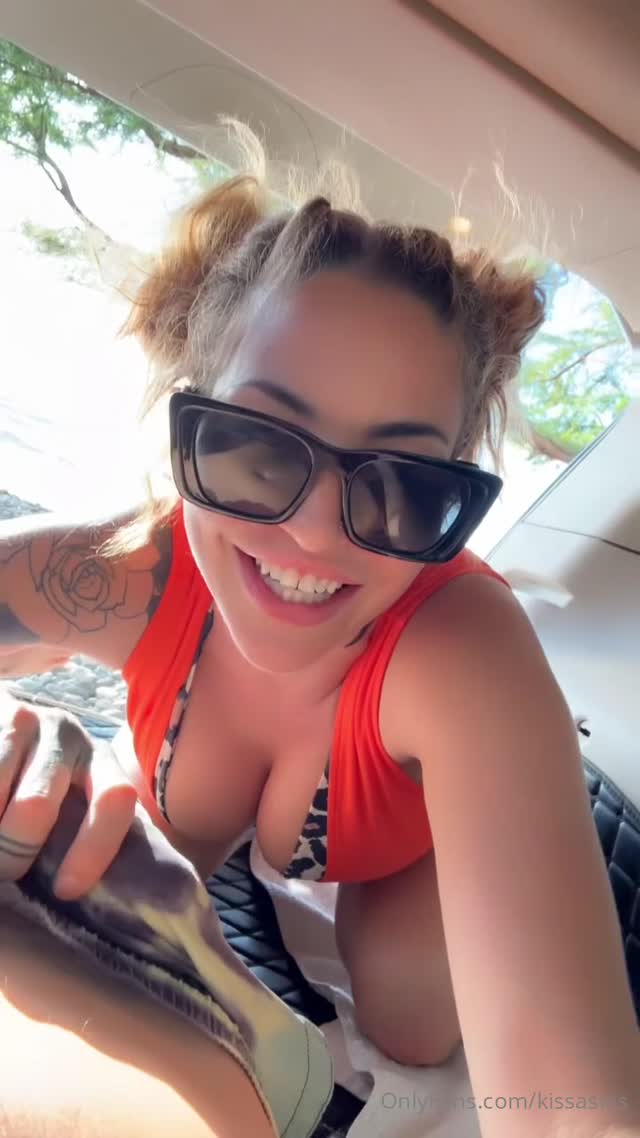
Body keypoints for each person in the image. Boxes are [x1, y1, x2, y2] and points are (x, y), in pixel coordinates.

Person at [1, 150, 639, 1138]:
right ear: (187, 423)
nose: (314, 533)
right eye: (258, 446)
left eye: (401, 483)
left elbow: (568, 1111)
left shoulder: (463, 650)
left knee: (409, 1013)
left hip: (399, 854)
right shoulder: (126, 569)